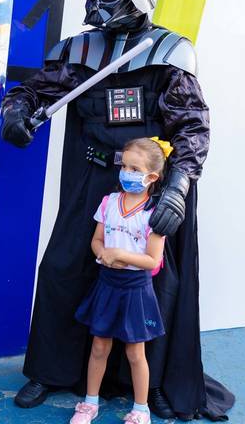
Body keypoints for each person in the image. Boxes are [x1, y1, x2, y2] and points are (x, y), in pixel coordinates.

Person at [1, 0, 234, 420]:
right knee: (64, 267)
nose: (100, 6)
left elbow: (192, 126)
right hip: (93, 179)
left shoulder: (169, 51)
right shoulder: (79, 52)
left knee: (156, 282)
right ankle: (50, 370)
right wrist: (16, 112)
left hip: (145, 183)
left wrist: (176, 188)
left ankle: (157, 381)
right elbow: (32, 91)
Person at [70, 138, 169, 424]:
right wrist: (103, 253)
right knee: (99, 346)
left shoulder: (155, 214)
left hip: (136, 289)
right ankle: (90, 403)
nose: (126, 173)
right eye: (124, 166)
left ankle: (141, 409)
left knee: (135, 352)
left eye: (134, 169)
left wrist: (122, 255)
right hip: (107, 283)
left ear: (152, 177)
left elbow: (153, 260)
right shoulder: (109, 202)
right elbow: (96, 240)